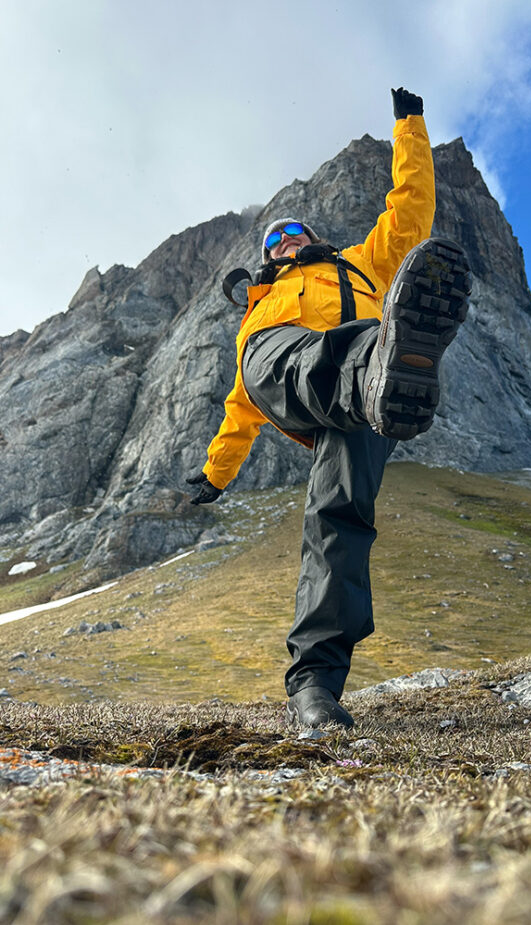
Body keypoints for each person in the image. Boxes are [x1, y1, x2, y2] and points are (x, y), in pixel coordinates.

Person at [186, 88, 472, 728]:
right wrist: (215, 474)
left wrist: (409, 125)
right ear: (267, 257)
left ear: (314, 238)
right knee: (304, 358)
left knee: (338, 527)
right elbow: (240, 411)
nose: (288, 239)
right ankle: (377, 370)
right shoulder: (263, 305)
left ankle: (315, 687)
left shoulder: (361, 265)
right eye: (275, 237)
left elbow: (410, 209)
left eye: (296, 230)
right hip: (283, 369)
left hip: (366, 402)